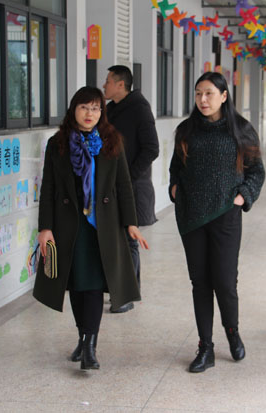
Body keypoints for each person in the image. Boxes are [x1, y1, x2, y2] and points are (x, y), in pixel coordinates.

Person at [33, 86, 149, 370]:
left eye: (96, 108)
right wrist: (45, 228)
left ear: (102, 112)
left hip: (102, 227)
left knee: (94, 285)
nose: (90, 113)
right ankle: (82, 337)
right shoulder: (58, 143)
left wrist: (131, 222)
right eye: (84, 107)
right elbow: (48, 188)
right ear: (74, 109)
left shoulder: (112, 141)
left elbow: (123, 185)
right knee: (76, 284)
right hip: (70, 226)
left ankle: (90, 346)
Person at [169, 72, 265, 373]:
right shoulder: (186, 130)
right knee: (200, 283)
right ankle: (206, 347)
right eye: (198, 93)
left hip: (225, 215)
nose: (203, 99)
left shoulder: (241, 130)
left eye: (209, 93)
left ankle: (232, 331)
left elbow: (256, 171)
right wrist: (174, 188)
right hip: (192, 217)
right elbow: (176, 168)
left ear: (224, 96)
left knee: (224, 282)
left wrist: (243, 196)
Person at [104, 65, 159, 313]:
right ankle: (121, 290)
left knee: (129, 240)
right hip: (111, 185)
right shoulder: (110, 110)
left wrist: (129, 176)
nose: (104, 85)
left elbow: (152, 148)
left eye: (108, 81)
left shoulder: (139, 109)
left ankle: (127, 295)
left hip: (133, 186)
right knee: (118, 240)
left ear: (120, 84)